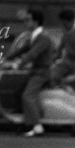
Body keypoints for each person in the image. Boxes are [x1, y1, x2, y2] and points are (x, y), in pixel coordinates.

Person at [5, 8, 56, 137]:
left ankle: (37, 126)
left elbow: (32, 54)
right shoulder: (34, 35)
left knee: (27, 96)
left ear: (36, 21)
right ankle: (25, 121)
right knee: (17, 91)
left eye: (28, 20)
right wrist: (7, 58)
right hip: (35, 71)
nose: (25, 23)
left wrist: (18, 64)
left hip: (42, 73)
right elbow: (24, 49)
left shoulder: (43, 37)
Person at [50, 9, 75, 87]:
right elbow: (59, 50)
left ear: (71, 21)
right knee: (51, 75)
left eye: (64, 23)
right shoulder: (65, 32)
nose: (62, 25)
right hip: (67, 62)